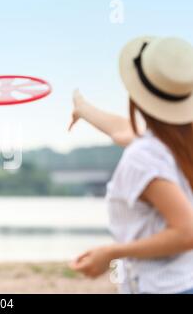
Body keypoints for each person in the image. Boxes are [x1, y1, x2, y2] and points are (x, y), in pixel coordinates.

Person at [68, 36, 193, 294]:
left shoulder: (144, 155)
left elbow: (186, 232)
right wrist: (84, 109)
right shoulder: (177, 142)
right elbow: (124, 130)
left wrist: (111, 252)